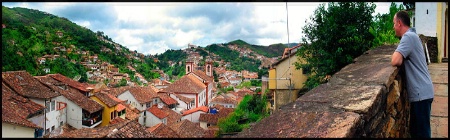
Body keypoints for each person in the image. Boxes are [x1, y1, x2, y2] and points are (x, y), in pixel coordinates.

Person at [391, 10, 435, 138]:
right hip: (422, 92)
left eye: (394, 23)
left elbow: (395, 60)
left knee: (421, 134)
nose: (393, 27)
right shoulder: (413, 36)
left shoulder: (408, 37)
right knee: (417, 132)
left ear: (399, 23)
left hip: (421, 94)